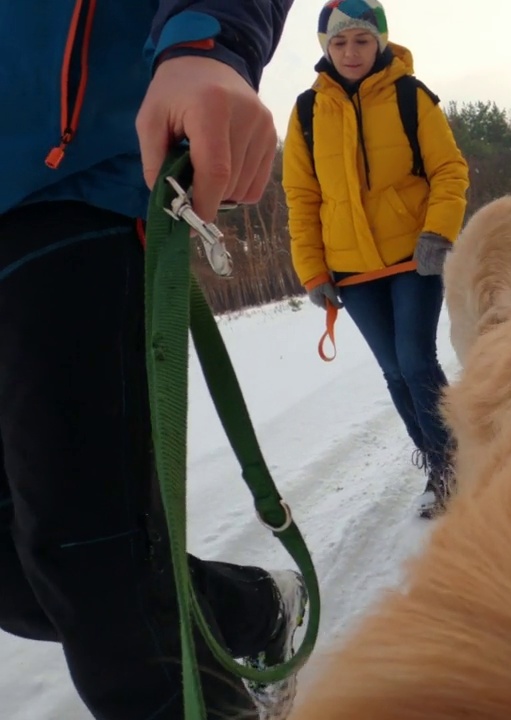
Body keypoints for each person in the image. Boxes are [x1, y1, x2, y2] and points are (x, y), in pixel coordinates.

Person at [0, 2, 309, 719]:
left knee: (95, 576)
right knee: (19, 580)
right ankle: (252, 608)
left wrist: (209, 40)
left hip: (73, 181)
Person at [282, 0, 470, 520]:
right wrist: (313, 270)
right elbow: (302, 197)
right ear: (325, 48)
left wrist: (438, 232)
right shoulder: (306, 112)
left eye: (361, 40)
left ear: (380, 42)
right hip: (352, 270)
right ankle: (439, 464)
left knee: (415, 360)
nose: (350, 51)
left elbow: (449, 170)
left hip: (415, 258)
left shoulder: (411, 96)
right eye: (339, 42)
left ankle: (454, 465)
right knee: (393, 371)